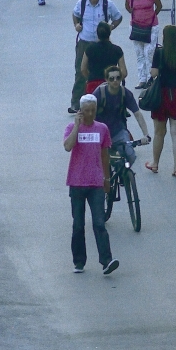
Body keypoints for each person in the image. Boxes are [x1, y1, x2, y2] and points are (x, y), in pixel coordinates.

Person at [63, 96, 119, 275]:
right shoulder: (72, 128)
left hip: (95, 183)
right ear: (80, 111)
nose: (89, 114)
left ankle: (107, 261)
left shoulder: (102, 129)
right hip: (77, 183)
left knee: (99, 223)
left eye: (92, 110)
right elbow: (67, 146)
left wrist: (107, 179)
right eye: (86, 110)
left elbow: (105, 156)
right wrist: (77, 126)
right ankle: (79, 261)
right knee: (78, 224)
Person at [145, 24, 176, 177]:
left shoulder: (159, 52)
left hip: (161, 94)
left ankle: (155, 163)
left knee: (159, 132)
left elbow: (153, 73)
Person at [72, 0, 126, 112]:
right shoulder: (82, 3)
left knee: (105, 69)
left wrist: (110, 27)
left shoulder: (107, 4)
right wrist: (76, 25)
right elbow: (75, 14)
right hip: (85, 42)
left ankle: (109, 97)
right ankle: (76, 102)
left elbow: (118, 17)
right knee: (80, 72)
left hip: (101, 41)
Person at [93, 64, 150, 167]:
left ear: (121, 78)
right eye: (111, 78)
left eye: (118, 78)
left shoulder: (125, 93)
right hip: (100, 133)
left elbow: (137, 114)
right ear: (107, 79)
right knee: (100, 162)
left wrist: (146, 135)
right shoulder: (99, 93)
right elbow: (88, 113)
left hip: (118, 131)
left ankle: (125, 175)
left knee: (130, 155)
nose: (115, 80)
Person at [125, 0, 162, 83]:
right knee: (139, 53)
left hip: (151, 26)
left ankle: (152, 78)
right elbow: (128, 7)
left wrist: (152, 16)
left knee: (149, 52)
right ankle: (142, 79)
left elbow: (159, 6)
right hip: (136, 27)